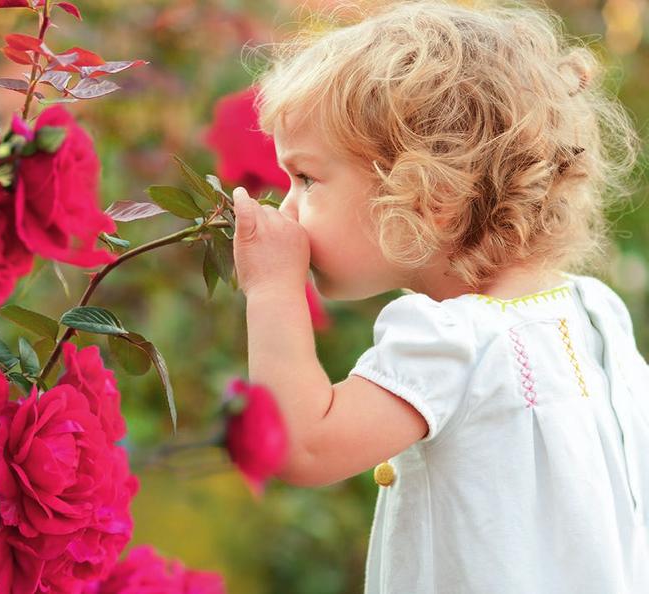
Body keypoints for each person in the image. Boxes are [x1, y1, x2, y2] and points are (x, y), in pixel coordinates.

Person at [230, 1, 648, 592]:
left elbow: (299, 445)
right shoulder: (595, 313)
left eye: (306, 178)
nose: (288, 209)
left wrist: (271, 288)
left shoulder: (453, 341)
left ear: (430, 192)